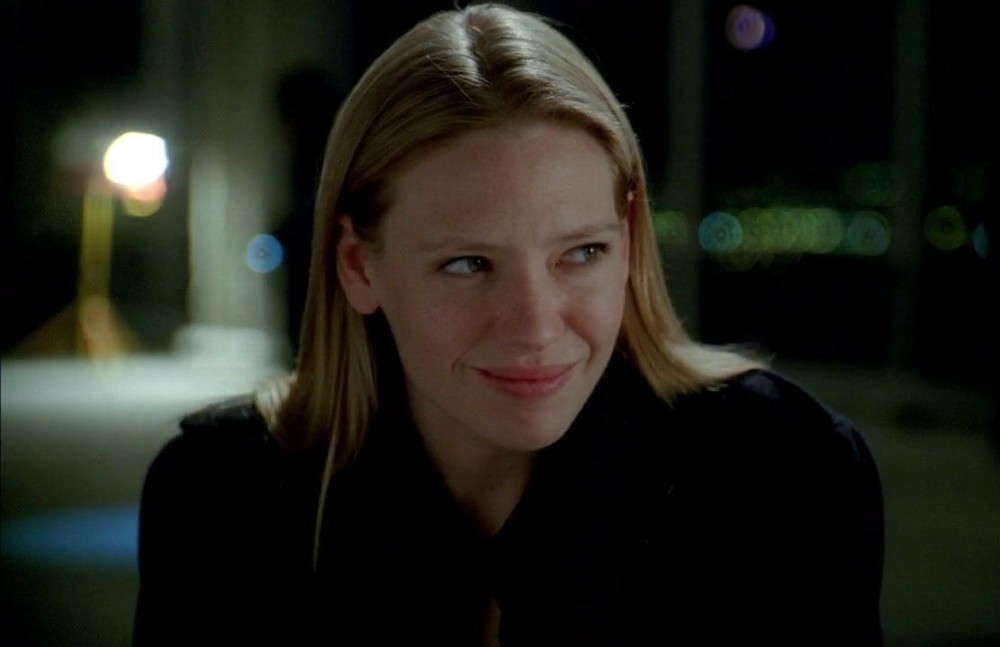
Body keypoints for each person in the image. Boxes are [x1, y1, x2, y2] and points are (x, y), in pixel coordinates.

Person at [133, 3, 884, 645]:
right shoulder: (224, 498)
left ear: (628, 243)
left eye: (581, 253)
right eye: (468, 263)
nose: (534, 328)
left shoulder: (783, 475)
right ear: (358, 266)